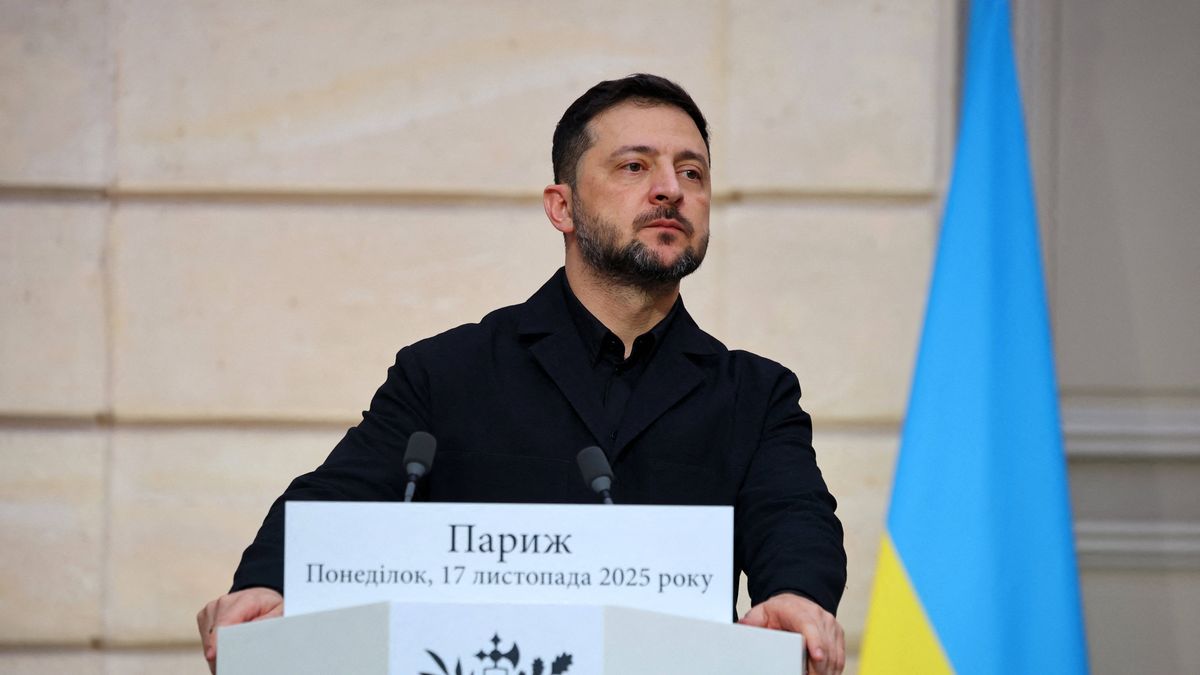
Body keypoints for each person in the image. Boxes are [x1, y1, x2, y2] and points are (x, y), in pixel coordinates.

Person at [197, 74, 847, 674]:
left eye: (692, 171)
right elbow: (335, 505)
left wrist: (796, 594)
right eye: (634, 165)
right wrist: (268, 583)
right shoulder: (448, 373)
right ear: (561, 206)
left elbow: (793, 515)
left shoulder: (754, 394)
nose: (670, 188)